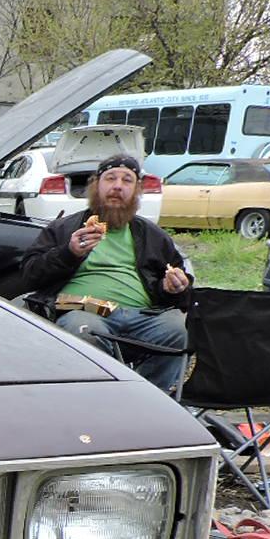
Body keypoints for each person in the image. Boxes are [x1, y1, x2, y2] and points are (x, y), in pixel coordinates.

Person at [20, 153, 193, 391]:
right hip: (84, 312)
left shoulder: (152, 235)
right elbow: (29, 275)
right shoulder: (65, 229)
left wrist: (173, 288)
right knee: (85, 332)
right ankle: (100, 401)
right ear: (96, 185)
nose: (118, 186)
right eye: (110, 178)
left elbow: (181, 293)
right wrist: (69, 253)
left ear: (137, 191)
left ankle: (149, 400)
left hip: (142, 316)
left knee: (177, 330)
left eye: (127, 180)